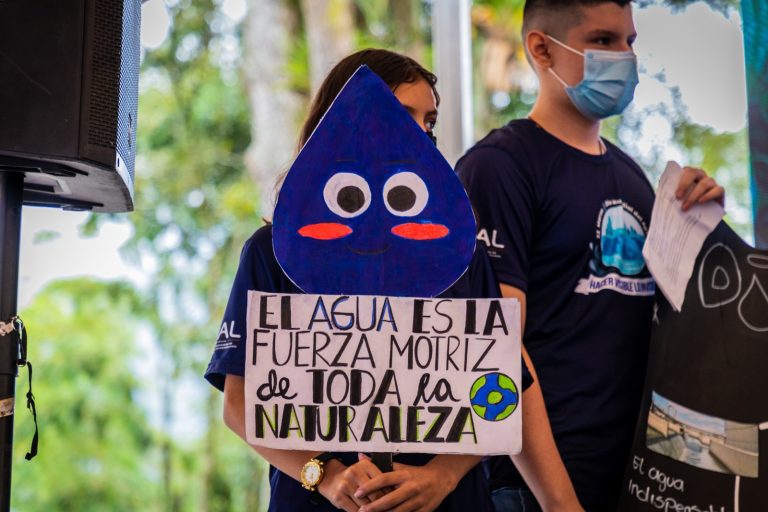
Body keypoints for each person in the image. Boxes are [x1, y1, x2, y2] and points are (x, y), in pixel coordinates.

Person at [206, 48, 583, 512]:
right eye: (403, 116)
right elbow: (239, 404)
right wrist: (325, 474)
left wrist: (442, 476)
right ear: (341, 123)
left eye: (429, 123)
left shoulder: (462, 257)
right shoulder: (271, 253)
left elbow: (502, 392)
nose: (420, 135)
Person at [455, 2, 725, 511]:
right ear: (541, 49)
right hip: (535, 491)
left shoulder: (634, 179)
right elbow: (494, 346)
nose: (625, 57)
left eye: (630, 41)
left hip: (640, 482)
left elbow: (676, 331)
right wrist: (559, 501)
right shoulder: (500, 166)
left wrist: (704, 226)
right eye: (603, 41)